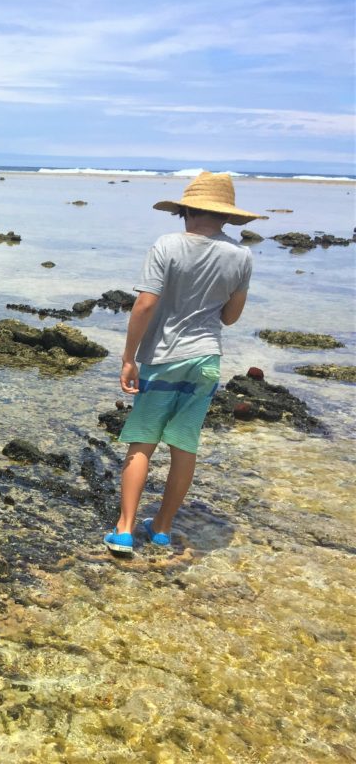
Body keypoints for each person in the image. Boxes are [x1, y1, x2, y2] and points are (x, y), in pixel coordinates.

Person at [104, 171, 266, 555]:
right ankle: (161, 529)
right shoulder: (242, 255)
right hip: (207, 359)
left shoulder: (167, 245)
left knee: (142, 442)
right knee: (183, 445)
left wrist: (129, 358)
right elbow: (230, 317)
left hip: (164, 358)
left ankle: (124, 530)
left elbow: (144, 304)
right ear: (226, 216)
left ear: (185, 211)